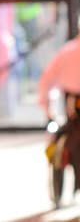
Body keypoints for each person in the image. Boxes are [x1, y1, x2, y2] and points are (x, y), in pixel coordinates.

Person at [39, 26, 80, 192]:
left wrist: (47, 109)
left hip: (70, 106)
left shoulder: (66, 51)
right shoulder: (67, 51)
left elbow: (46, 82)